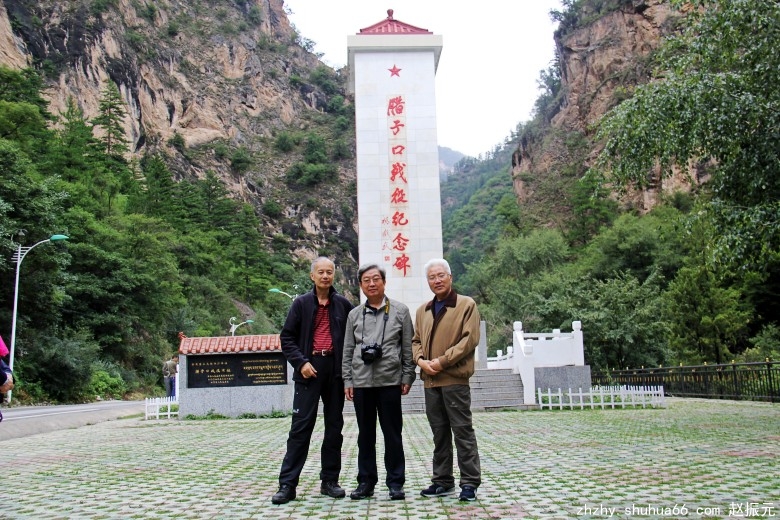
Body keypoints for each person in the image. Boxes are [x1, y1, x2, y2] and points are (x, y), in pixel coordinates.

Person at [272, 257, 354, 505]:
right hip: (309, 369)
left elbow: (353, 339)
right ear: (312, 276)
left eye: (329, 272)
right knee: (301, 427)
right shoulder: (301, 303)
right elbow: (287, 338)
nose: (325, 276)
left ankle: (330, 481)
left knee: (334, 428)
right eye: (321, 272)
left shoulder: (343, 305)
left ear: (333, 276)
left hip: (334, 371)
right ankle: (287, 485)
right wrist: (301, 363)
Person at [342, 263, 415, 501]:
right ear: (360, 285)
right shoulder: (354, 314)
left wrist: (407, 375)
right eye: (366, 280)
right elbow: (348, 350)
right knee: (365, 435)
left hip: (390, 381)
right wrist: (347, 380)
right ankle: (366, 482)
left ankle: (395, 483)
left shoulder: (400, 311)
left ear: (384, 282)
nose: (371, 284)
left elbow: (407, 347)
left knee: (393, 435)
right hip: (361, 383)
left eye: (376, 279)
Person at [412, 258, 482, 502]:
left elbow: (469, 340)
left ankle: (470, 482)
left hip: (454, 380)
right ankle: (442, 480)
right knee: (439, 433)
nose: (437, 280)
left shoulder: (466, 304)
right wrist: (421, 361)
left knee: (462, 431)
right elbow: (415, 341)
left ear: (450, 277)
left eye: (441, 275)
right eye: (432, 277)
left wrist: (442, 362)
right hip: (430, 381)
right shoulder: (423, 311)